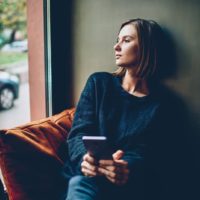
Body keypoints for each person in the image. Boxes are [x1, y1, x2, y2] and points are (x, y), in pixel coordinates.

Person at [64, 18, 191, 200]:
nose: (116, 46)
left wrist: (125, 167)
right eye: (118, 39)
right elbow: (78, 134)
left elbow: (153, 155)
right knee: (80, 184)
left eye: (127, 40)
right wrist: (86, 160)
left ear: (147, 48)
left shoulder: (165, 104)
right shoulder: (99, 83)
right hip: (86, 177)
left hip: (130, 186)